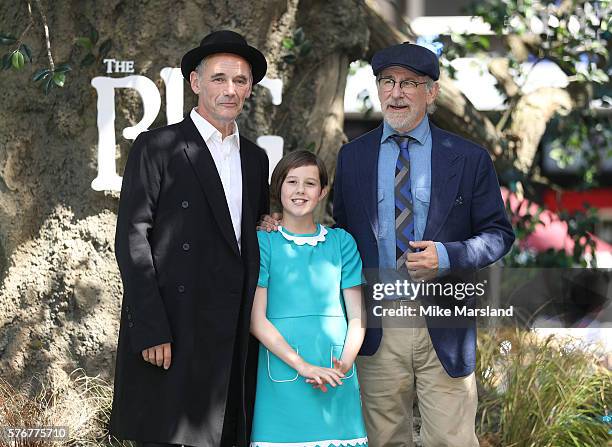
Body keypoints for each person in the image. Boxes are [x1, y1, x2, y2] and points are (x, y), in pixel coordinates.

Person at [260, 43, 514, 446]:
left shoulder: (467, 157)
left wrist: (447, 256)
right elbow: (340, 234)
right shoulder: (353, 157)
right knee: (383, 440)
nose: (395, 93)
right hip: (375, 323)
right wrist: (280, 224)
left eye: (408, 84)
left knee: (451, 440)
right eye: (387, 82)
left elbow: (499, 235)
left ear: (430, 93)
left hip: (444, 320)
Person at [109, 30, 270, 447]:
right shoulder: (157, 147)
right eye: (219, 78)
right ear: (196, 83)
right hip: (173, 328)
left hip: (231, 330)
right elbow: (132, 237)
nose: (230, 89)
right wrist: (150, 327)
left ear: (250, 88)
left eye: (240, 81)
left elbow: (244, 234)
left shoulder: (255, 158)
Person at [250, 150, 368, 447]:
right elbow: (256, 320)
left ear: (323, 191)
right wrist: (302, 366)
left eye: (310, 183)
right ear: (278, 188)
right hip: (282, 374)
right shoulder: (264, 242)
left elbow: (357, 318)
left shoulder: (342, 242)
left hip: (335, 376)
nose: (300, 190)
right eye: (292, 181)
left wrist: (342, 365)